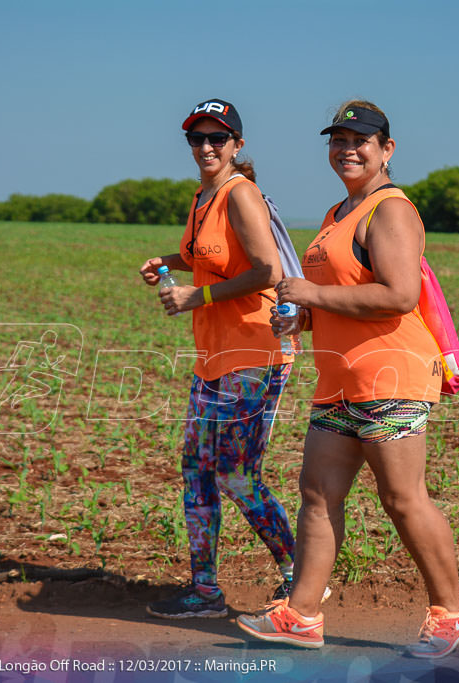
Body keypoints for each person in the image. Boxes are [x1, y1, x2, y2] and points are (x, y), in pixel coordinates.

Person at [237, 101, 459, 658]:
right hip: (341, 378)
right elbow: (342, 292)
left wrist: (314, 296)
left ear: (387, 149)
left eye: (360, 140)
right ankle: (300, 616)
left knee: (402, 499)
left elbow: (397, 295)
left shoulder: (391, 211)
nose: (347, 149)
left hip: (390, 374)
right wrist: (306, 314)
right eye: (338, 139)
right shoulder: (338, 212)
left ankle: (453, 611)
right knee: (318, 495)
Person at [138, 98, 296, 618]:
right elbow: (206, 253)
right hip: (214, 358)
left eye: (217, 138)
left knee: (234, 474)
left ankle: (299, 577)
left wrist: (195, 297)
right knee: (197, 471)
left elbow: (266, 272)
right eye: (196, 139)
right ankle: (205, 592)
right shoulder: (203, 196)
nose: (205, 147)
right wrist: (168, 260)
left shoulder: (240, 193)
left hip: (254, 353)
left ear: (237, 145)